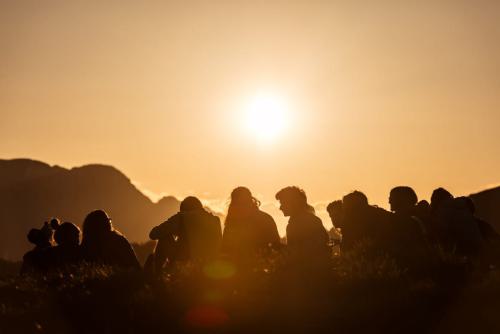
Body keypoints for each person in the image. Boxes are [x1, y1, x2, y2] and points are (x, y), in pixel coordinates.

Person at [150, 196, 222, 273]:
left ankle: (157, 276)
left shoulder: (182, 217)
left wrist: (175, 230)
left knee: (164, 238)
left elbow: (153, 234)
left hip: (187, 261)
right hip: (212, 263)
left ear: (183, 209)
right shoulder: (215, 220)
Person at [222, 187, 281, 266]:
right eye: (237, 203)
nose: (240, 206)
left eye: (242, 203)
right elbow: (225, 247)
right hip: (238, 269)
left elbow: (275, 246)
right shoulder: (232, 222)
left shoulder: (264, 219)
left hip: (260, 268)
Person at [275, 186, 329, 263]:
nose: (280, 208)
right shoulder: (311, 220)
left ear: (293, 203)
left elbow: (300, 253)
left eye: (283, 203)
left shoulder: (303, 223)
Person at [387, 186, 429, 271]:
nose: (389, 201)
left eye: (392, 198)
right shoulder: (416, 220)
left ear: (401, 200)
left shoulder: (410, 222)